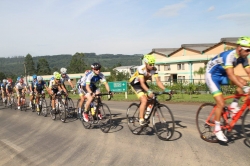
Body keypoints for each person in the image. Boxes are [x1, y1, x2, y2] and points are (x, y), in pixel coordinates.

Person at [205, 36, 250, 142]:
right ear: (239, 48)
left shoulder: (244, 58)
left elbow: (248, 72)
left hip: (223, 75)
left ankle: (233, 107)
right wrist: (245, 88)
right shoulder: (229, 56)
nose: (249, 52)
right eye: (247, 50)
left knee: (243, 82)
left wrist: (244, 85)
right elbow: (231, 75)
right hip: (212, 76)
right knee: (220, 103)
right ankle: (217, 129)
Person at [129, 54, 170, 126]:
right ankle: (141, 119)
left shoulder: (154, 70)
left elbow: (158, 82)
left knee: (152, 97)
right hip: (135, 84)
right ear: (145, 63)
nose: (152, 66)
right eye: (150, 64)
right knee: (144, 100)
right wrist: (148, 91)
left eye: (153, 64)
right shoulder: (141, 69)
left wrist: (166, 89)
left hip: (143, 83)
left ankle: (146, 114)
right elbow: (141, 83)